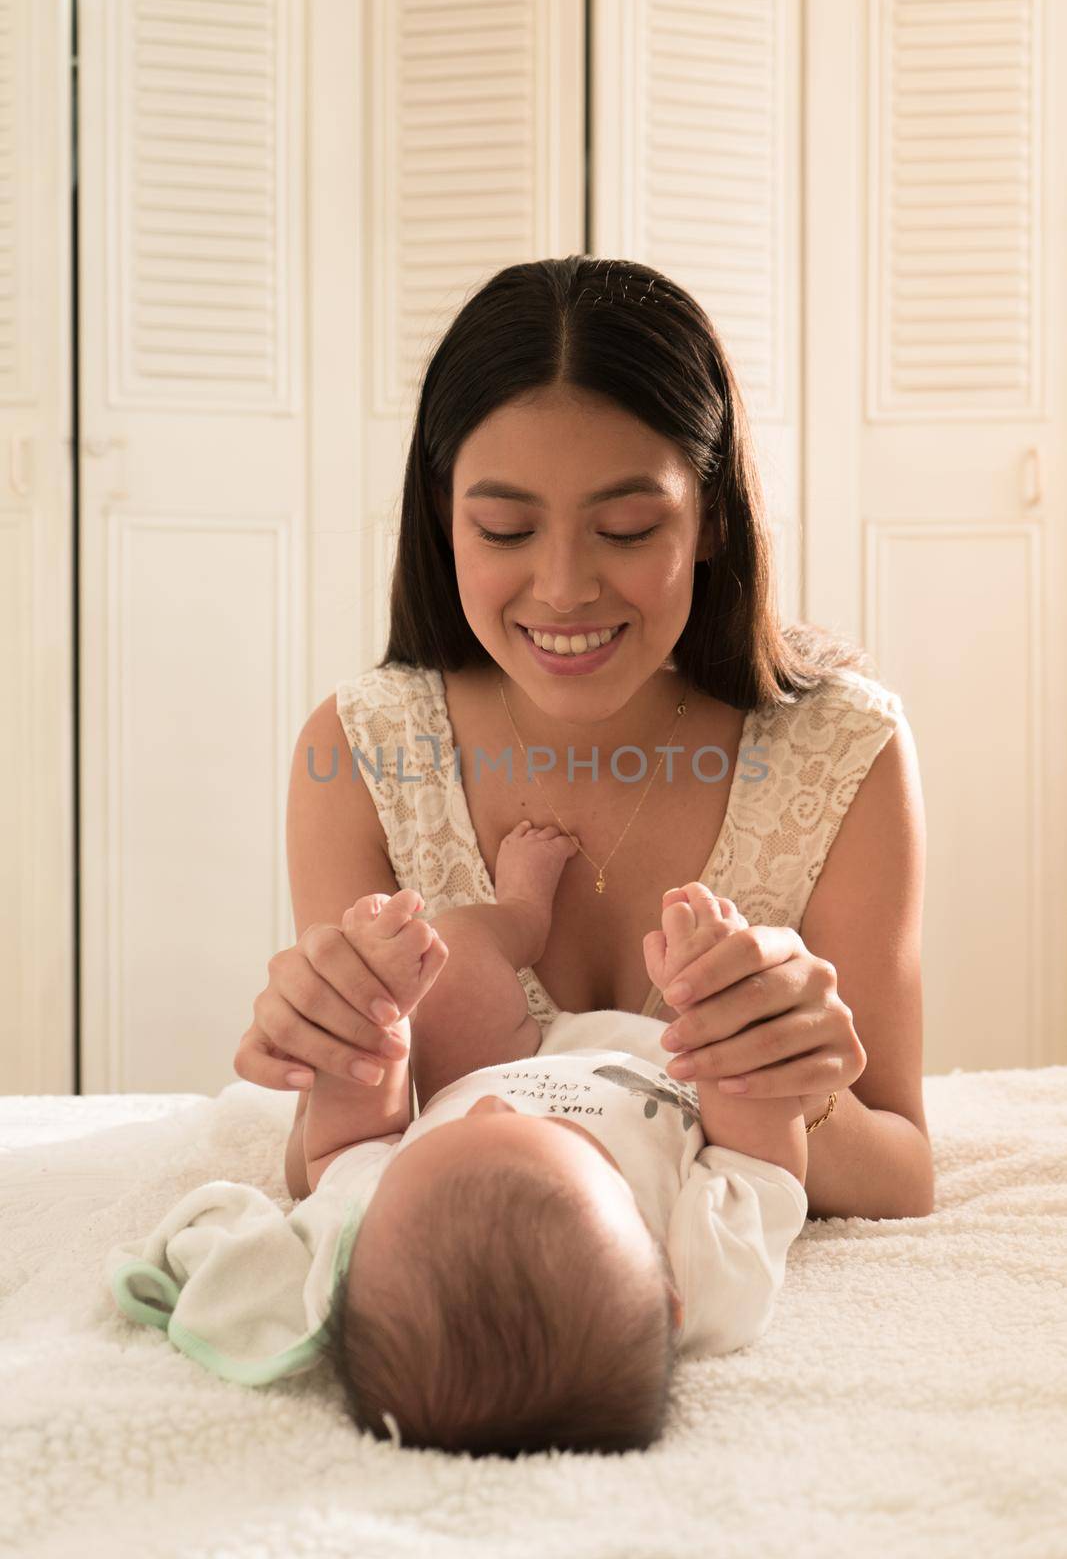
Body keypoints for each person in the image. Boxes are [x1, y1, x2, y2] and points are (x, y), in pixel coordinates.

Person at [234, 254, 932, 1252]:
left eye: (626, 526)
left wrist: (785, 1082)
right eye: (505, 527)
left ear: (711, 520)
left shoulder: (843, 752)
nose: (561, 587)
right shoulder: (360, 752)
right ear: (445, 519)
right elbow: (332, 1164)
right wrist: (340, 1044)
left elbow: (901, 1171)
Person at [106, 838, 809, 1459]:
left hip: (486, 1054)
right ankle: (608, 946)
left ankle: (520, 913)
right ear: (667, 1300)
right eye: (558, 1140)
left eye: (451, 1134)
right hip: (658, 1060)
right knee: (729, 1029)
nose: (497, 1108)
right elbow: (761, 1167)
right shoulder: (709, 1276)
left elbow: (352, 1144)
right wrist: (718, 1002)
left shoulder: (369, 1231)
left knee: (455, 951)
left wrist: (374, 1030)